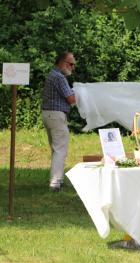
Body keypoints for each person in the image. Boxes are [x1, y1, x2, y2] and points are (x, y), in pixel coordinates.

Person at [42, 51, 76, 191]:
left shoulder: (52, 75)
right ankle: (55, 183)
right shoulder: (60, 77)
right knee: (60, 150)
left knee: (56, 149)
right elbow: (71, 99)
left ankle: (57, 179)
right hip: (56, 116)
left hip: (48, 114)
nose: (73, 67)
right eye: (71, 64)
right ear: (62, 63)